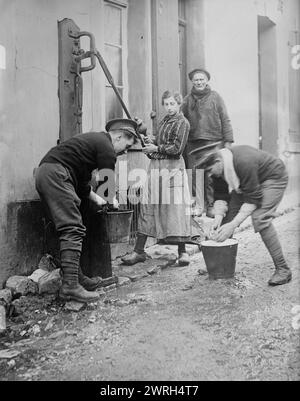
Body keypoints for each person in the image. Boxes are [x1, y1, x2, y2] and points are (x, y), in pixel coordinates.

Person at [35, 119, 138, 303]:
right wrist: (110, 199)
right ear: (119, 136)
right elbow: (107, 182)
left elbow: (81, 182)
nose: (125, 151)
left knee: (68, 229)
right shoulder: (106, 146)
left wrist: (96, 197)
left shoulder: (92, 143)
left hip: (47, 173)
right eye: (126, 146)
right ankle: (70, 287)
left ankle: (76, 278)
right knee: (72, 228)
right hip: (57, 175)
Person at [196, 145, 292, 286]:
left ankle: (283, 269)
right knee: (226, 220)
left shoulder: (244, 162)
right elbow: (221, 195)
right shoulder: (219, 170)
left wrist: (233, 225)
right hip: (249, 184)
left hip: (273, 178)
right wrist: (218, 219)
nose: (209, 175)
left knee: (260, 218)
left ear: (218, 162)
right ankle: (217, 265)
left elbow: (253, 198)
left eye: (210, 171)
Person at [122, 90, 191, 266]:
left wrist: (155, 149)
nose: (169, 107)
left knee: (175, 208)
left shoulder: (183, 123)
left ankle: (183, 252)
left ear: (179, 104)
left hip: (173, 168)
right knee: (148, 204)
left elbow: (176, 149)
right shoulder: (165, 121)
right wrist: (146, 138)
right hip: (156, 167)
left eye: (172, 104)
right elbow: (159, 140)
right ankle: (139, 251)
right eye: (166, 104)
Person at [181, 68, 234, 217]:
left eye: (201, 79)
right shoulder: (187, 100)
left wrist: (228, 141)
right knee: (195, 174)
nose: (199, 82)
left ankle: (211, 206)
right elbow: (180, 119)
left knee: (211, 175)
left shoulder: (216, 97)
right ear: (192, 82)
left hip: (213, 142)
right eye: (196, 80)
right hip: (193, 143)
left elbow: (225, 118)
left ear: (207, 80)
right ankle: (199, 206)